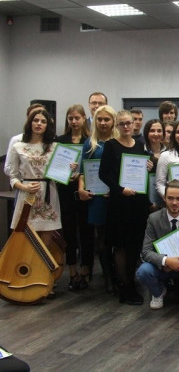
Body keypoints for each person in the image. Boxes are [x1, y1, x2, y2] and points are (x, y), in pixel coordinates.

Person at [8, 108, 64, 297]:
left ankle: (45, 282)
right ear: (30, 122)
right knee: (25, 240)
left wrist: (70, 169)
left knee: (46, 243)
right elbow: (12, 175)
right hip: (27, 196)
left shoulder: (54, 147)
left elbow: (63, 175)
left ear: (48, 126)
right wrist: (23, 187)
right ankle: (25, 281)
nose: (39, 124)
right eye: (36, 120)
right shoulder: (18, 145)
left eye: (43, 121)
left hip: (49, 194)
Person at [99, 110, 152, 305]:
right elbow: (104, 174)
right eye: (122, 123)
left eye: (129, 123)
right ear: (117, 126)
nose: (127, 126)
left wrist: (148, 167)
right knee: (121, 246)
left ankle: (132, 283)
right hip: (120, 203)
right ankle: (124, 288)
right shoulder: (111, 145)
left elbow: (144, 172)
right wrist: (121, 190)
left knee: (135, 245)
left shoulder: (139, 145)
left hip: (138, 203)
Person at [136, 180, 179, 309]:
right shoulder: (153, 218)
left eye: (178, 198)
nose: (174, 202)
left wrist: (176, 263)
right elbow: (146, 251)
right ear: (164, 198)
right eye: (170, 198)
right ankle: (158, 292)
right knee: (143, 271)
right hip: (161, 266)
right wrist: (166, 261)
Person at [78, 105, 118, 293]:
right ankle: (108, 277)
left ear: (113, 121)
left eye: (106, 119)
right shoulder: (90, 143)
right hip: (98, 198)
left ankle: (119, 275)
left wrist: (115, 189)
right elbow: (83, 171)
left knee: (116, 237)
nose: (103, 123)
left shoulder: (119, 141)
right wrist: (81, 189)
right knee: (102, 238)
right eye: (99, 119)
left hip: (116, 196)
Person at [56, 104, 92, 291]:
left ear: (84, 118)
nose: (74, 121)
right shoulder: (60, 140)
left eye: (77, 118)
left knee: (86, 232)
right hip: (65, 190)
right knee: (69, 233)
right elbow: (54, 167)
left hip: (85, 191)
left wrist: (80, 175)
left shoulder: (90, 141)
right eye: (71, 118)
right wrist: (64, 172)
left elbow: (92, 167)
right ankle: (72, 272)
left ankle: (85, 270)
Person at [4, 103, 46, 177]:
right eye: (35, 118)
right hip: (23, 181)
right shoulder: (17, 140)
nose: (39, 122)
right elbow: (8, 168)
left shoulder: (50, 142)